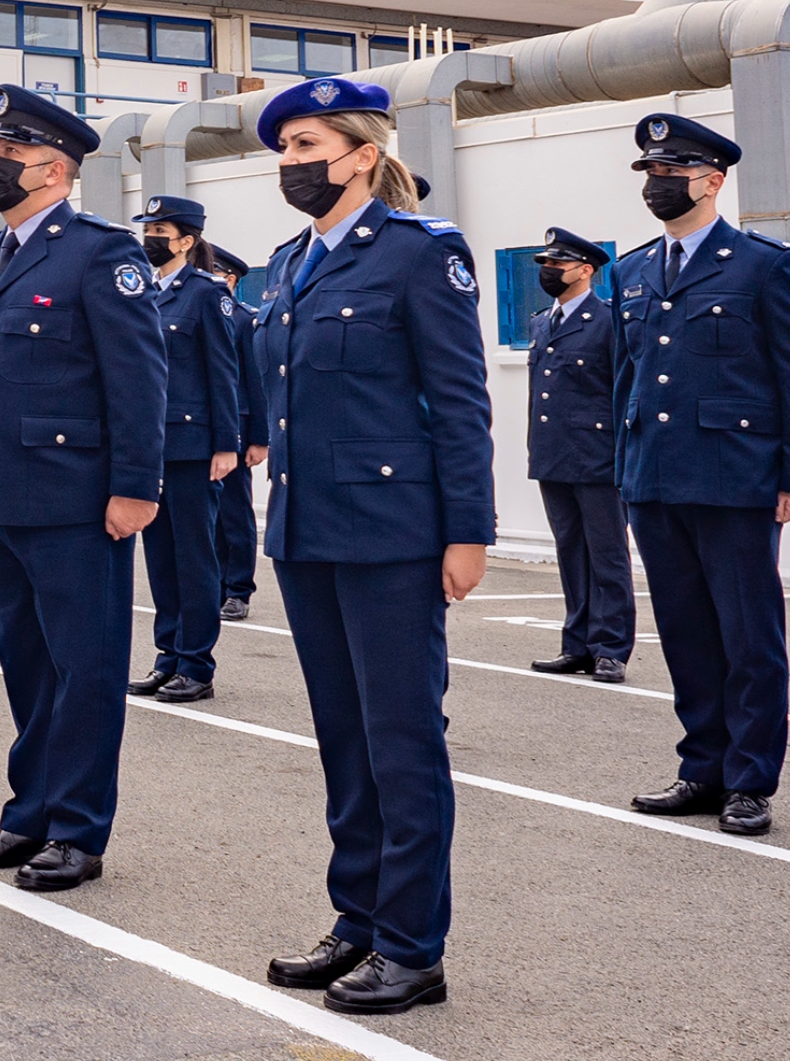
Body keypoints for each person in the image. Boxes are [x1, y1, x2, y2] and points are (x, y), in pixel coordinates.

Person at [250, 78, 494, 1015]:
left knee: (401, 741)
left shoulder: (419, 253)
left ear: (362, 155)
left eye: (308, 146)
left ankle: (412, 947)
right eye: (285, 149)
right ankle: (358, 919)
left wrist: (467, 531)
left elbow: (459, 402)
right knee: (344, 741)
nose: (292, 163)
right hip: (307, 530)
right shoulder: (289, 262)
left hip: (392, 535)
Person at [0, 85, 166, 893]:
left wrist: (135, 486)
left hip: (73, 499)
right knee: (29, 668)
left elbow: (138, 380)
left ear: (55, 170)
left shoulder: (101, 253)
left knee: (85, 670)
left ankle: (77, 828)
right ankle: (30, 812)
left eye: (11, 153)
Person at [618, 113, 790, 837]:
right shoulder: (633, 270)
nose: (657, 183)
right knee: (685, 634)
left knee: (748, 638)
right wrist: (625, 471)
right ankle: (702, 768)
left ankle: (749, 780)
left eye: (670, 172)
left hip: (735, 479)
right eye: (650, 172)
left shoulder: (765, 266)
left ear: (711, 181)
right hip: (655, 480)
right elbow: (628, 380)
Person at [127, 196, 241, 703]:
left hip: (193, 447)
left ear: (186, 241)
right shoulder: (143, 292)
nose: (150, 239)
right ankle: (167, 657)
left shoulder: (206, 293)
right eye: (147, 230)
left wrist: (226, 444)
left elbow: (224, 372)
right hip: (151, 447)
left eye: (160, 232)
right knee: (160, 559)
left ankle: (196, 663)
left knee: (194, 559)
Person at [524, 228, 633, 684]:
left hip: (598, 456)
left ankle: (611, 648)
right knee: (570, 551)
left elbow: (623, 390)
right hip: (553, 455)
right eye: (545, 264)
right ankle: (577, 644)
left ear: (585, 270)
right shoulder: (540, 322)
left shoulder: (608, 321)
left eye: (557, 264)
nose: (549, 271)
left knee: (607, 555)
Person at [207, 246, 268, 621]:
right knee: (209, 515)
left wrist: (260, 438)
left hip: (240, 425)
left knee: (234, 512)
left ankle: (238, 589)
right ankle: (215, 585)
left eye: (213, 270)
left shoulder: (246, 320)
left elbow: (257, 383)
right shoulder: (201, 312)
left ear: (230, 278)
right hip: (204, 426)